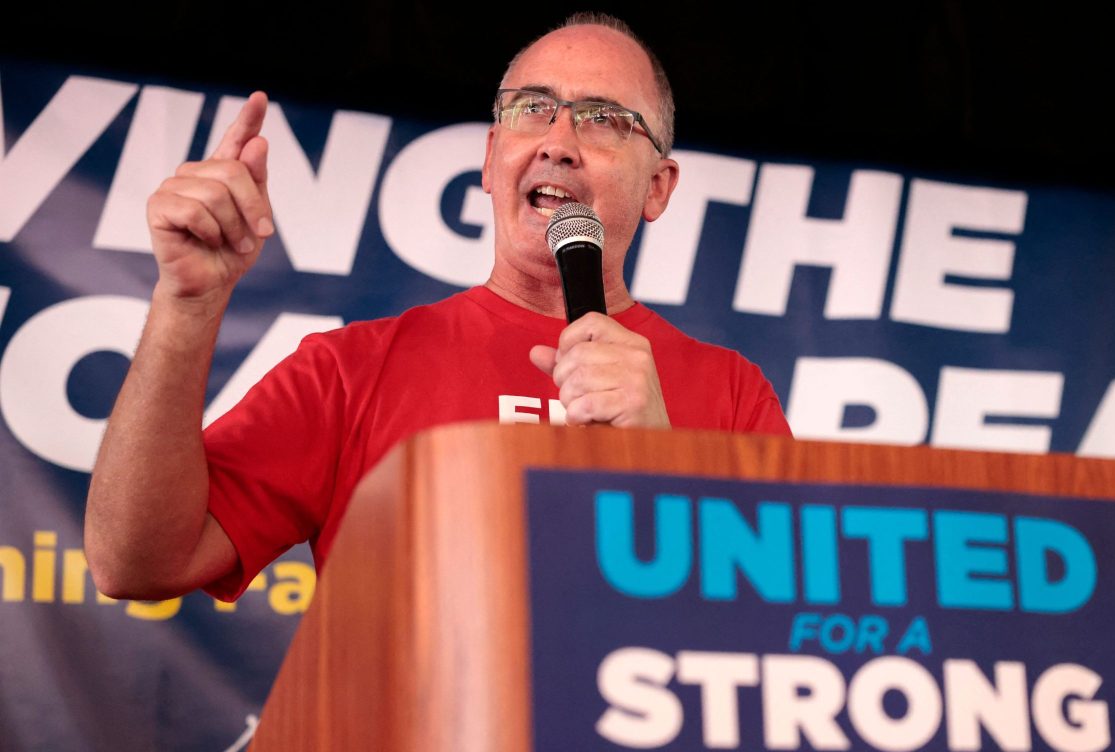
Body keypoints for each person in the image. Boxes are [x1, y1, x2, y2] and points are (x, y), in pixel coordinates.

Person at [84, 13, 790, 603]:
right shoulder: (351, 371)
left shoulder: (733, 397)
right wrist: (186, 304)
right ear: (490, 158)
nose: (558, 142)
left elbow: (786, 638)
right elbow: (136, 564)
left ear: (659, 187)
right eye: (532, 108)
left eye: (605, 120)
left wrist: (662, 465)